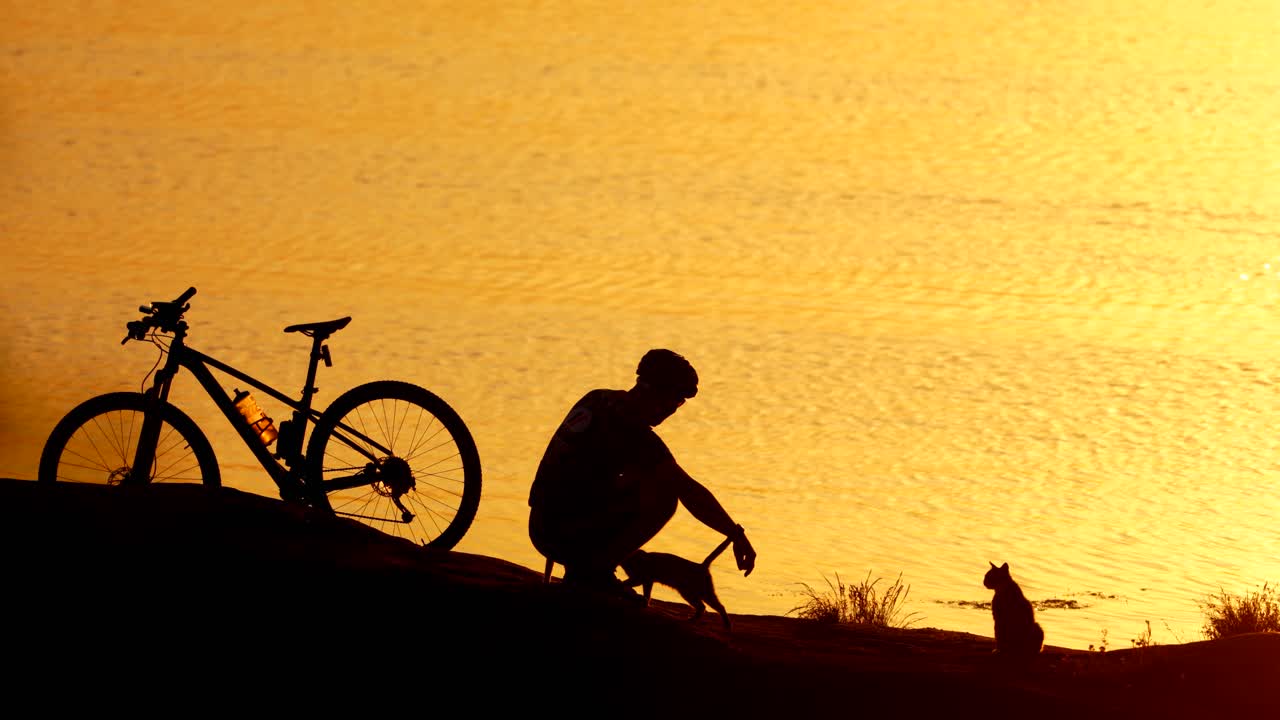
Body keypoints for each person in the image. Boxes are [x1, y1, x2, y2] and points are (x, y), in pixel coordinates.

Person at [528, 348, 756, 595]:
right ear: (652, 391)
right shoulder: (634, 432)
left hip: (541, 522)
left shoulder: (597, 398)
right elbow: (688, 490)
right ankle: (592, 573)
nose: (674, 410)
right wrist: (735, 533)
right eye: (675, 400)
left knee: (644, 479)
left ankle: (588, 567)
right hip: (561, 533)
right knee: (664, 496)